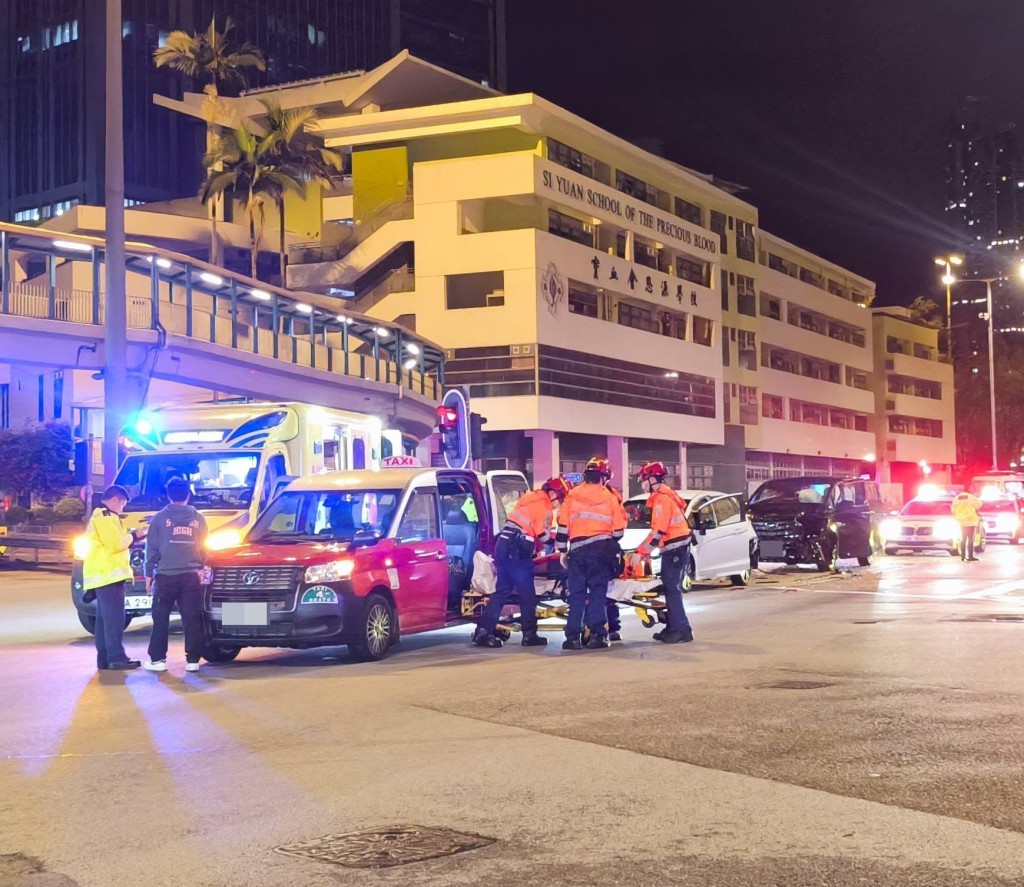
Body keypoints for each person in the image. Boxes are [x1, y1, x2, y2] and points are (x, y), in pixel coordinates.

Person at [473, 477, 572, 649]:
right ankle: (529, 635)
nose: (559, 503)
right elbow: (543, 535)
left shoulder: (529, 497)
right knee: (527, 594)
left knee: (502, 591)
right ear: (553, 493)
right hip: (517, 548)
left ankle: (483, 631)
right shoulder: (544, 504)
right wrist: (558, 540)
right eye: (561, 498)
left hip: (503, 544)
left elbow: (526, 525)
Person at [556, 457, 627, 650]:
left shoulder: (572, 495)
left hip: (577, 551)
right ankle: (598, 636)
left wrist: (562, 551)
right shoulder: (611, 498)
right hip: (601, 551)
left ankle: (572, 638)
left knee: (576, 594)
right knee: (597, 593)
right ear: (604, 477)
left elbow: (562, 527)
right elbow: (619, 533)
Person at [143, 477, 209, 672]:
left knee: (160, 618)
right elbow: (205, 545)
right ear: (188, 495)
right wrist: (203, 566)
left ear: (168, 495)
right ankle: (193, 660)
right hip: (191, 575)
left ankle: (158, 660)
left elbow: (151, 548)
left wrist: (148, 574)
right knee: (191, 617)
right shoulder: (199, 518)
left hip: (165, 576)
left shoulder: (159, 518)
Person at [81, 485, 144, 671]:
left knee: (103, 621)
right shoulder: (106, 518)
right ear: (115, 499)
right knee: (114, 620)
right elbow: (116, 544)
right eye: (123, 503)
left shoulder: (101, 516)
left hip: (101, 576)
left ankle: (105, 659)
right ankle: (117, 658)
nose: (123, 507)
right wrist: (135, 535)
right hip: (108, 576)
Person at [636, 461, 694, 644]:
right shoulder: (665, 496)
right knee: (671, 588)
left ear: (652, 479)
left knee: (671, 589)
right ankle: (676, 627)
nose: (643, 484)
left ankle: (679, 630)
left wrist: (642, 552)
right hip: (676, 547)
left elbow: (658, 531)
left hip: (675, 547)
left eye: (644, 480)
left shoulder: (662, 499)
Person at [600, 470, 630, 641]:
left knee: (605, 589)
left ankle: (610, 626)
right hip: (605, 547)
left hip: (603, 547)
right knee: (604, 589)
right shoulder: (611, 496)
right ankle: (609, 626)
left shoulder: (611, 496)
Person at [951, 490, 983, 562]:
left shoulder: (956, 498)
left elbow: (953, 510)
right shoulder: (971, 497)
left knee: (963, 538)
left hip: (961, 521)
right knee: (970, 538)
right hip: (971, 520)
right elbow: (979, 505)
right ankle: (970, 556)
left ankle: (963, 556)